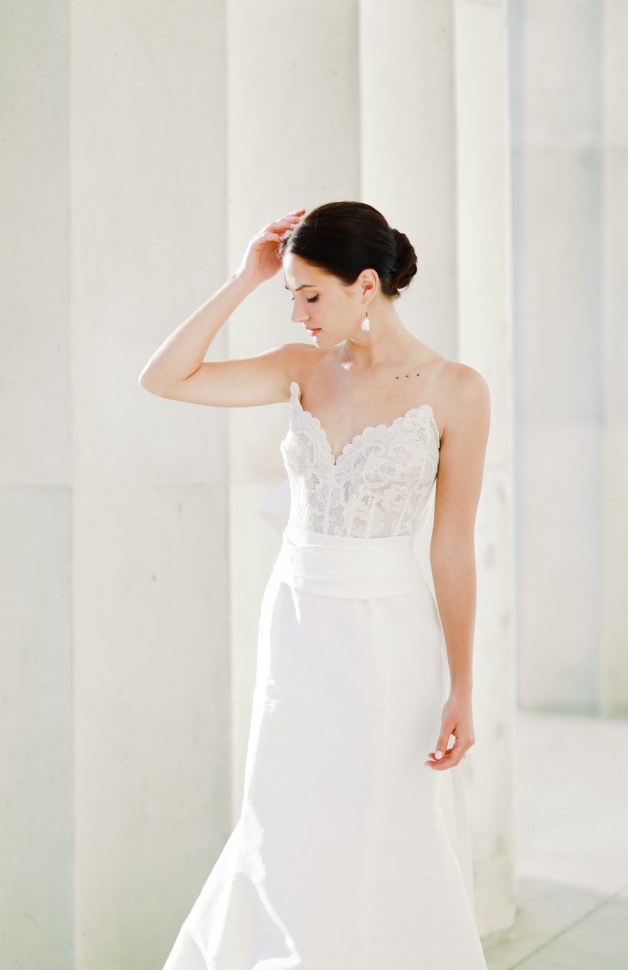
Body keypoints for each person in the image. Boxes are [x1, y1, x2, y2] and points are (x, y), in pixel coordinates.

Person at [139, 200, 491, 969]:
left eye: (310, 295)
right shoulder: (301, 371)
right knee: (286, 815)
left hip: (387, 639)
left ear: (367, 286)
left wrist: (462, 685)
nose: (297, 313)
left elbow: (454, 548)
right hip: (297, 625)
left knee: (379, 820)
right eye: (290, 296)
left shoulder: (455, 388)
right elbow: (164, 378)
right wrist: (243, 279)